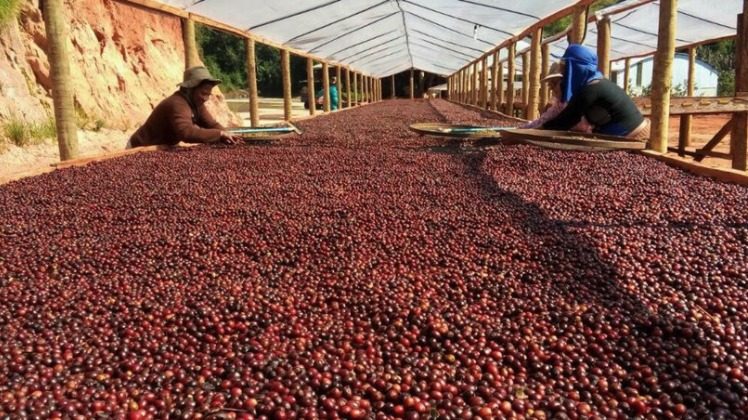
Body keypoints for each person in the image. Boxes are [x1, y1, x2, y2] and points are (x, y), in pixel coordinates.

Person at [541, 45, 649, 140]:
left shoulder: (591, 89)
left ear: (576, 69)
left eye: (565, 69)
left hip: (636, 137)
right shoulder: (595, 84)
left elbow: (567, 119)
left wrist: (539, 129)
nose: (564, 74)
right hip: (628, 135)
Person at [127, 66, 241, 148]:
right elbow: (186, 132)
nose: (205, 98)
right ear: (189, 90)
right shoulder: (177, 103)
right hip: (142, 146)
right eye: (203, 93)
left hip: (163, 147)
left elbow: (211, 124)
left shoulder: (196, 103)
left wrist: (228, 134)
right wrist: (219, 134)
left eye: (208, 94)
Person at [521, 61, 591, 132]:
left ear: (566, 81)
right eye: (550, 85)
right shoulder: (559, 104)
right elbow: (543, 120)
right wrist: (521, 129)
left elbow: (579, 124)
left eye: (554, 83)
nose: (552, 88)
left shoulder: (580, 98)